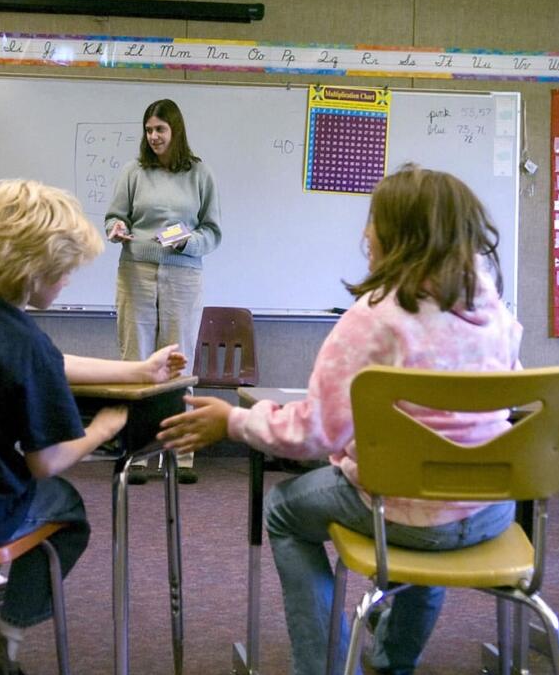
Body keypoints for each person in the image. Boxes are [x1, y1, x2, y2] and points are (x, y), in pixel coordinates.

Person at [157, 164, 522, 675]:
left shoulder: (374, 318)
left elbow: (314, 433)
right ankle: (394, 659)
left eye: (374, 221)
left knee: (284, 511)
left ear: (400, 235)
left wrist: (234, 423)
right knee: (432, 475)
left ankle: (325, 666)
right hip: (490, 507)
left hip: (404, 510)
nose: (364, 233)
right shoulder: (499, 317)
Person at [0, 179, 186, 675]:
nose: (67, 281)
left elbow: (50, 363)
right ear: (33, 272)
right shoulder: (28, 343)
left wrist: (136, 369)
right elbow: (46, 461)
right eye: (63, 271)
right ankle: (8, 644)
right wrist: (103, 429)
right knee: (64, 511)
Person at [105, 98, 222, 484]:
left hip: (184, 274)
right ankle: (135, 452)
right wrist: (116, 229)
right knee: (135, 357)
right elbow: (115, 216)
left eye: (160, 130)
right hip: (135, 270)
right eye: (149, 129)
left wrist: (187, 242)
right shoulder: (133, 171)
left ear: (176, 132)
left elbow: (212, 231)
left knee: (179, 359)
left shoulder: (200, 174)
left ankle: (181, 452)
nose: (153, 136)